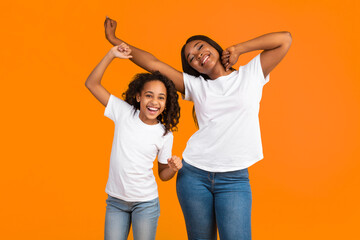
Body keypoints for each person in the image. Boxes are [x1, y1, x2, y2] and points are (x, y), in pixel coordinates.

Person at [104, 17, 292, 240]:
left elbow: (284, 40)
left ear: (214, 46)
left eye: (200, 47)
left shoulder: (250, 74)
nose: (197, 56)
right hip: (194, 176)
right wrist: (114, 40)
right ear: (192, 67)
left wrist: (239, 48)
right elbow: (153, 64)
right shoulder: (196, 86)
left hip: (234, 179)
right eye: (191, 58)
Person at [85, 43, 183, 240]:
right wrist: (110, 55)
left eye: (161, 98)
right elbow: (92, 84)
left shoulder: (164, 135)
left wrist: (173, 167)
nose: (154, 102)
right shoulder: (124, 113)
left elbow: (163, 175)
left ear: (166, 103)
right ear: (138, 97)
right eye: (149, 95)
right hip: (116, 202)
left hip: (146, 204)